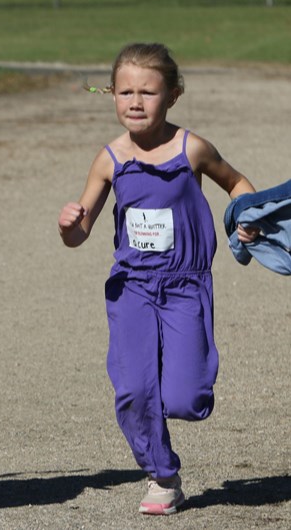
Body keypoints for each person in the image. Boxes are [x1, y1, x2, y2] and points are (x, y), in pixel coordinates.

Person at [57, 43, 257, 516]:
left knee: (186, 397)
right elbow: (79, 232)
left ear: (173, 95)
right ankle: (162, 476)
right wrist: (70, 225)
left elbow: (237, 183)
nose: (135, 101)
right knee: (133, 389)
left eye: (148, 92)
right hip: (131, 286)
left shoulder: (192, 149)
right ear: (111, 94)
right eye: (125, 91)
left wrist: (246, 217)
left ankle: (167, 412)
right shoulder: (109, 158)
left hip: (185, 283)